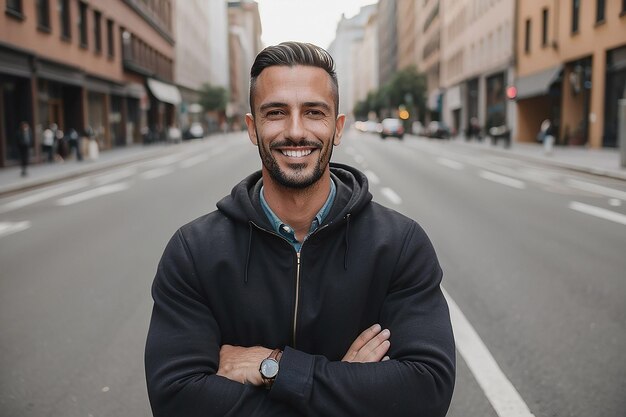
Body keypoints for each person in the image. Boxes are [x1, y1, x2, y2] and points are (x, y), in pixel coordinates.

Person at [145, 42, 455, 417]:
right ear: (252, 128)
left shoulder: (400, 244)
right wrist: (348, 386)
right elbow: (177, 400)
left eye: (314, 112)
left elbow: (426, 391)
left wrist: (274, 367)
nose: (295, 131)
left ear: (337, 127)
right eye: (276, 112)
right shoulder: (194, 251)